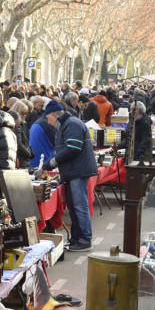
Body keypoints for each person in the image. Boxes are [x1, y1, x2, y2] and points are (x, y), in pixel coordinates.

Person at [40, 101, 97, 251]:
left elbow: (72, 148)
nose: (48, 122)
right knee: (74, 206)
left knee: (79, 206)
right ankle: (76, 238)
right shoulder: (67, 124)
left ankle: (84, 239)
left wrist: (51, 163)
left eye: (48, 118)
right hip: (73, 171)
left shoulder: (71, 124)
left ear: (54, 114)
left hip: (77, 171)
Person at [10, 101, 33, 169]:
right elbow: (18, 145)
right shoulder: (17, 126)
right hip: (20, 160)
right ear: (17, 111)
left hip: (20, 159)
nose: (25, 115)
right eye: (23, 113)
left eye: (26, 113)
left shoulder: (21, 124)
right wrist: (28, 153)